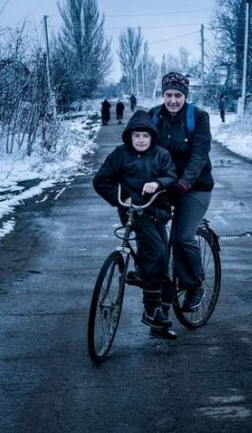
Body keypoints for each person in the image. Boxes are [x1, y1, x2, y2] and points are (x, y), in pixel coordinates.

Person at [92, 110, 178, 340]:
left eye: (145, 136)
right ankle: (150, 310)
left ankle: (160, 321)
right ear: (129, 136)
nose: (140, 140)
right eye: (136, 135)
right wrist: (120, 198)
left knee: (162, 262)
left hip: (157, 211)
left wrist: (157, 183)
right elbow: (100, 180)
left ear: (152, 137)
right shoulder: (120, 154)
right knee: (156, 252)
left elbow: (171, 177)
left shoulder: (161, 154)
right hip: (133, 212)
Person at [148, 72, 214, 312]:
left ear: (185, 95)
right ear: (163, 94)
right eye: (168, 95)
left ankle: (194, 285)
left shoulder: (198, 117)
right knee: (151, 234)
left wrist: (185, 182)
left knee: (182, 237)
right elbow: (141, 150)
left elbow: (199, 155)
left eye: (178, 95)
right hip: (164, 186)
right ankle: (153, 285)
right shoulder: (153, 116)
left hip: (195, 187)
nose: (173, 100)